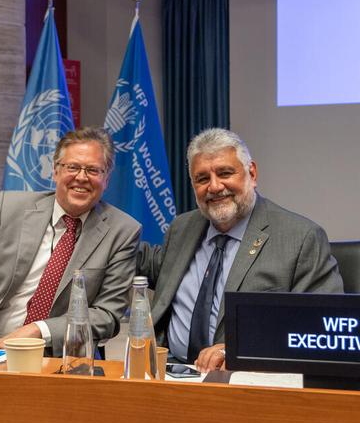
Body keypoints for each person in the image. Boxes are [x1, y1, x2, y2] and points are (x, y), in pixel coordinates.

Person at [0, 127, 141, 356]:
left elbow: (106, 315)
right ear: (55, 171)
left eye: (93, 170)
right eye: (72, 167)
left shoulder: (122, 231)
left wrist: (38, 330)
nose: (81, 177)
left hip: (56, 354)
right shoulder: (9, 208)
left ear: (106, 179)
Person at [137, 128, 343, 372]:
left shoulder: (300, 238)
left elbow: (318, 326)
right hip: (169, 374)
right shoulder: (182, 228)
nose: (214, 187)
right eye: (202, 179)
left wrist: (234, 349)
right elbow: (138, 258)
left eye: (225, 173)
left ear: (252, 173)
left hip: (245, 381)